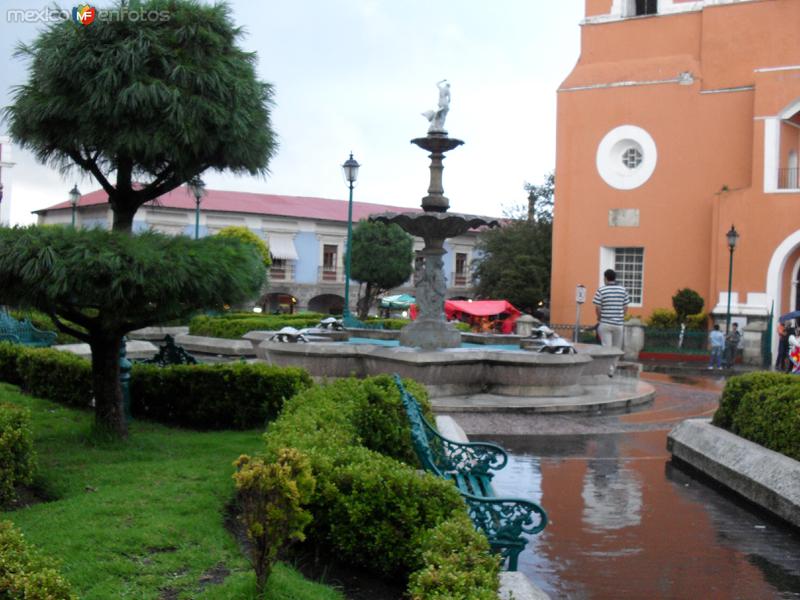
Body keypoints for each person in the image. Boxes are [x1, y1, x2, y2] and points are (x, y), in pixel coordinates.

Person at [592, 269, 630, 376]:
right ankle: (612, 369)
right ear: (615, 278)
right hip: (618, 324)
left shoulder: (601, 290)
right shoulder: (623, 290)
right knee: (616, 348)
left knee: (606, 347)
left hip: (605, 323)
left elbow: (598, 307)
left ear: (605, 278)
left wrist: (600, 318)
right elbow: (625, 306)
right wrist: (621, 317)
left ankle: (607, 369)